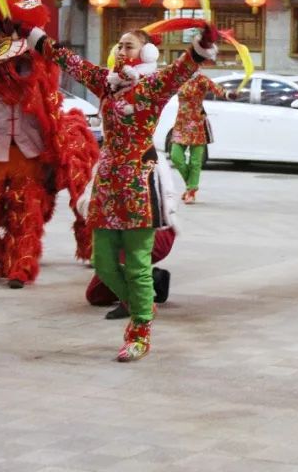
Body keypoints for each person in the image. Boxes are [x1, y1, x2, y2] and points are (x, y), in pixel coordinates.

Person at [28, 23, 219, 362]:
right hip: (107, 181)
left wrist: (200, 47)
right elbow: (70, 61)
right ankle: (140, 304)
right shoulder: (106, 83)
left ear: (146, 54)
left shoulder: (153, 86)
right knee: (103, 263)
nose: (121, 50)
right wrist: (33, 36)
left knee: (136, 265)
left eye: (129, 46)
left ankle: (140, 331)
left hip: (138, 184)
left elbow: (180, 70)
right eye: (119, 45)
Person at [170, 69, 235, 204]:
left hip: (197, 123)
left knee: (195, 161)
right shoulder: (179, 78)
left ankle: (191, 192)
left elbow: (216, 88)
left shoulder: (201, 79)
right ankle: (191, 186)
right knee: (175, 156)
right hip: (181, 123)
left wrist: (228, 94)